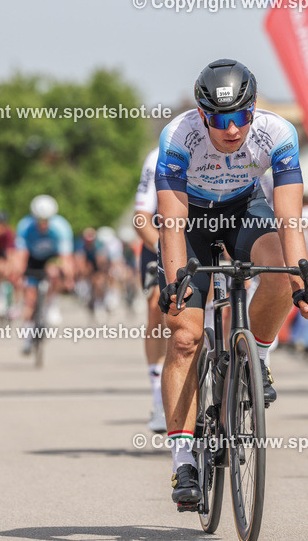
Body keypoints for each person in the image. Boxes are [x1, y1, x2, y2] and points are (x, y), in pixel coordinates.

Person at [156, 59, 308, 509]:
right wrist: (175, 283)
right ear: (203, 115)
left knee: (283, 275)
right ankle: (183, 460)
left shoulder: (278, 133)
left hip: (243, 209)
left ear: (253, 110)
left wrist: (303, 275)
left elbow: (289, 218)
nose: (232, 129)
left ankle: (258, 357)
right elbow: (171, 225)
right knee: (186, 336)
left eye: (242, 117)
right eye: (221, 120)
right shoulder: (178, 136)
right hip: (190, 219)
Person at [14, 194, 75, 354]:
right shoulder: (25, 226)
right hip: (33, 259)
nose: (42, 224)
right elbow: (21, 255)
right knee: (30, 299)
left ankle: (52, 303)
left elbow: (65, 259)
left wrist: (68, 278)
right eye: (39, 220)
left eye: (46, 220)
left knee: (54, 272)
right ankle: (27, 338)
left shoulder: (61, 227)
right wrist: (19, 275)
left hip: (52, 258)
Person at [134, 147, 167, 433]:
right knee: (158, 307)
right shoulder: (159, 155)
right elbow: (141, 217)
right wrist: (165, 252)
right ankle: (160, 399)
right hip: (161, 239)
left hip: (210, 234)